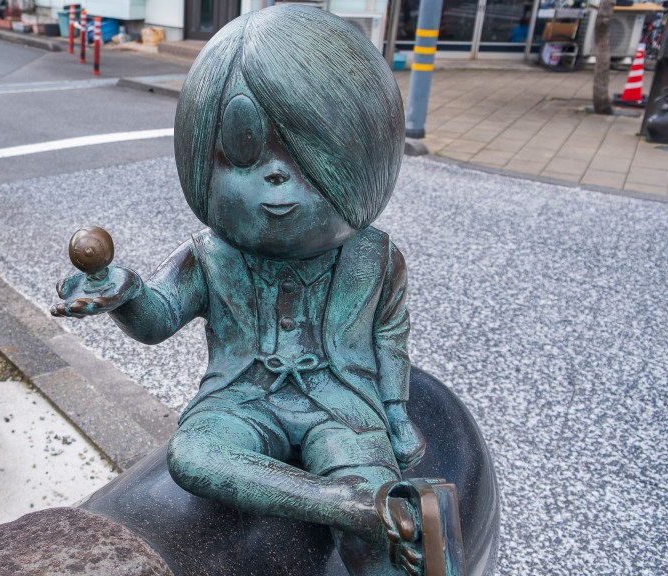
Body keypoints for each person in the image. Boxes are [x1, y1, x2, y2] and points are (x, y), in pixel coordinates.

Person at [52, 6, 461, 575]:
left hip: (342, 403)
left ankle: (375, 514)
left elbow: (390, 336)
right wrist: (125, 293)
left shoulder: (375, 257)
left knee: (372, 512)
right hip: (242, 398)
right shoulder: (210, 255)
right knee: (193, 455)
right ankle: (348, 506)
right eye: (244, 149)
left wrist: (394, 413)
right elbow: (159, 318)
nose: (276, 175)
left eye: (309, 152)